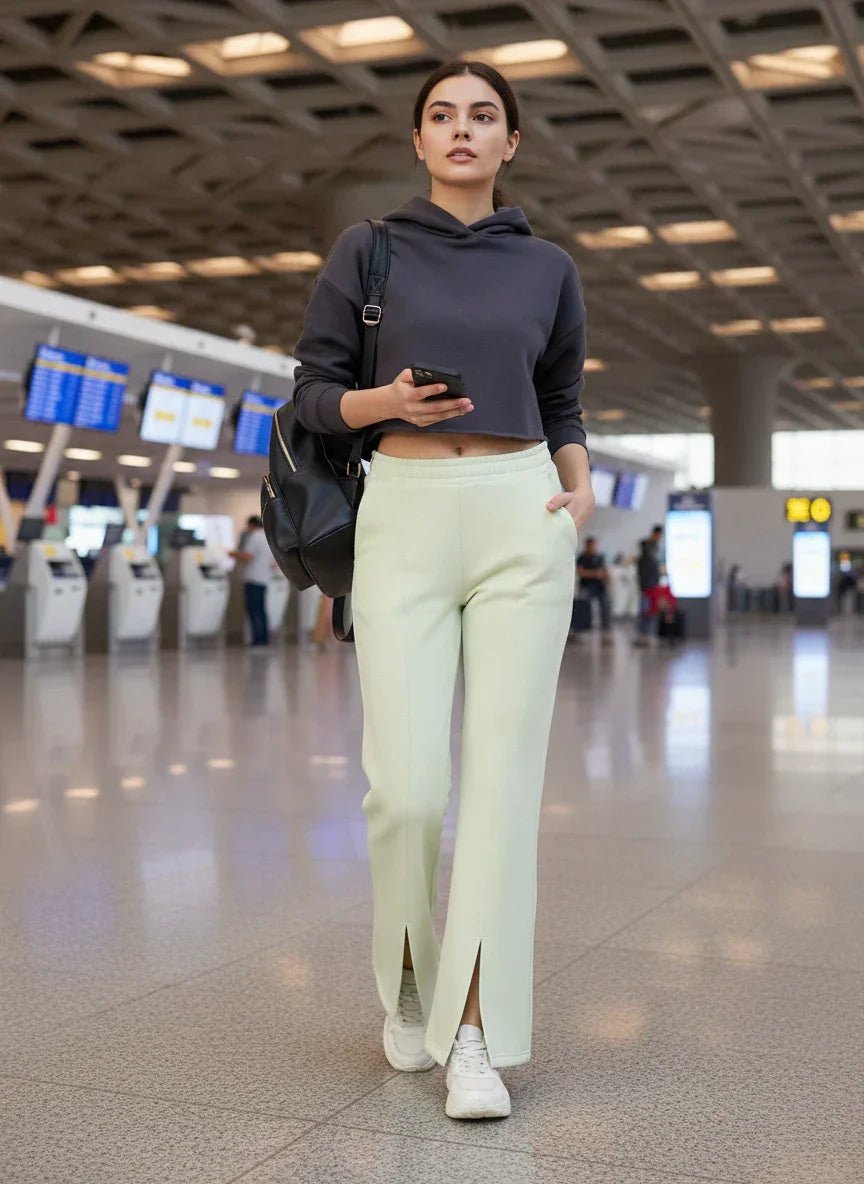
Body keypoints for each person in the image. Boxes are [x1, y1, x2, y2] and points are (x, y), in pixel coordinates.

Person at [291, 60, 594, 1120]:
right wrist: (389, 402)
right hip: (406, 516)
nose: (461, 130)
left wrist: (579, 482)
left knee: (503, 790)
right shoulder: (368, 249)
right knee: (408, 789)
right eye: (441, 115)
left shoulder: (548, 264)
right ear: (418, 141)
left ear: (511, 144)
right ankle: (411, 976)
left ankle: (474, 1032)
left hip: (522, 512)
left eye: (483, 117)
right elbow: (313, 397)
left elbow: (560, 393)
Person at [230, 516, 274, 646]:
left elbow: (248, 557)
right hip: (264, 579)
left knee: (254, 611)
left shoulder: (254, 537)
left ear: (251, 525)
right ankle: (263, 639)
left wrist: (232, 554)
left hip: (253, 579)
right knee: (261, 610)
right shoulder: (268, 538)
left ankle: (257, 640)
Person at [576, 537, 613, 644]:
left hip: (600, 587)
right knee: (582, 606)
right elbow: (581, 573)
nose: (593, 548)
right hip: (587, 586)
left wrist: (607, 580)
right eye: (591, 545)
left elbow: (605, 572)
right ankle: (580, 631)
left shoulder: (600, 557)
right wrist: (596, 573)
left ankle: (606, 632)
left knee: (606, 605)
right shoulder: (582, 558)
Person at [634, 536, 660, 647]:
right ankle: (643, 635)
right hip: (647, 590)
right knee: (646, 613)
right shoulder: (647, 561)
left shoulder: (648, 561)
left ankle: (645, 635)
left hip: (649, 590)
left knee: (648, 613)